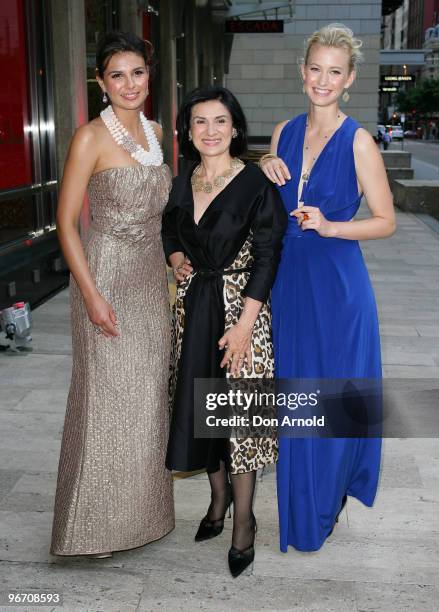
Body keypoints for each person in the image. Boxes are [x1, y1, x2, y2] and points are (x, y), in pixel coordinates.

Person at [260, 23, 395, 552]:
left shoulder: (359, 140)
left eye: (334, 72)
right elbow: (267, 213)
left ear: (349, 79)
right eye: (315, 68)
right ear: (302, 71)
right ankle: (306, 502)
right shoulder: (282, 133)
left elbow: (385, 220)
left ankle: (327, 497)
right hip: (290, 281)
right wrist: (263, 172)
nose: (323, 79)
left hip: (339, 285)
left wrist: (332, 225)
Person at [51, 32, 174, 557]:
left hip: (150, 279)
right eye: (117, 74)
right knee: (106, 400)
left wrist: (174, 260)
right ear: (101, 82)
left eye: (138, 73)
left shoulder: (156, 133)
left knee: (147, 399)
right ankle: (90, 529)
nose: (129, 84)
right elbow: (65, 222)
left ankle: (140, 519)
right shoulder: (89, 138)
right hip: (105, 275)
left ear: (149, 77)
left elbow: (162, 213)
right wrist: (92, 295)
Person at [162, 86, 287, 576]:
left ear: (235, 128)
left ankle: (244, 524)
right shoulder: (181, 182)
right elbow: (170, 231)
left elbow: (268, 255)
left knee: (241, 419)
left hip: (241, 312)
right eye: (199, 122)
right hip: (195, 311)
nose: (210, 131)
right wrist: (176, 260)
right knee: (202, 408)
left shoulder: (256, 182)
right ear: (187, 132)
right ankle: (217, 504)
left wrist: (243, 328)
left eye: (219, 121)